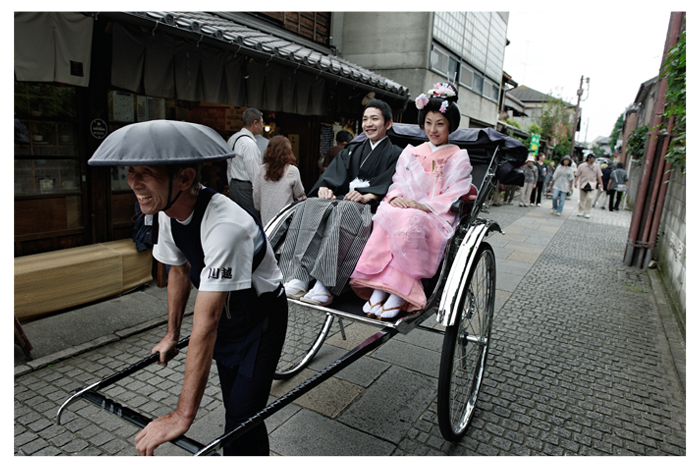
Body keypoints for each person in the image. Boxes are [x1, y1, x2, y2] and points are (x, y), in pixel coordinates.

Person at [88, 120, 288, 456]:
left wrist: (183, 415)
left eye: (146, 172)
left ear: (185, 178)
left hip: (260, 318)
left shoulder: (226, 226)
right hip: (227, 315)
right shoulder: (166, 211)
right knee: (235, 406)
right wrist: (171, 333)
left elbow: (206, 324)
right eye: (131, 171)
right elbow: (178, 270)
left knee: (242, 417)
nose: (133, 182)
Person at [350, 83, 473, 320]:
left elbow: (455, 191)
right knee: (388, 211)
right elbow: (399, 181)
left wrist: (423, 205)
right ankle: (378, 288)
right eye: (428, 123)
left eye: (440, 124)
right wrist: (397, 198)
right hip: (408, 207)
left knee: (412, 219)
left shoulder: (458, 157)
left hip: (435, 213)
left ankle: (399, 292)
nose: (433, 130)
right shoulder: (411, 151)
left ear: (450, 126)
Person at [276, 99, 402, 306]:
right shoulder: (351, 151)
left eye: (374, 119)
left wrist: (370, 195)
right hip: (345, 200)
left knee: (346, 210)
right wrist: (325, 187)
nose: (368, 123)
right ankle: (299, 275)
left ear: (388, 124)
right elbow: (333, 177)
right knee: (310, 204)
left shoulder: (397, 154)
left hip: (371, 206)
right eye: (365, 119)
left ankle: (324, 285)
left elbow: (396, 183)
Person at [253, 135, 306, 226]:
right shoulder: (292, 170)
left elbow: (256, 202)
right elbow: (299, 194)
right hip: (286, 220)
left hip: (266, 221)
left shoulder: (261, 170)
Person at [227, 108, 264, 214]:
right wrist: (259, 200)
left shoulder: (232, 139)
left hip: (234, 185)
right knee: (251, 219)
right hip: (246, 189)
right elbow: (255, 174)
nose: (262, 126)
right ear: (255, 123)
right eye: (261, 123)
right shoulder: (249, 144)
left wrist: (231, 184)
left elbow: (229, 166)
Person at [574, 154, 604, 218]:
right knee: (582, 198)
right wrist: (575, 182)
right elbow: (577, 174)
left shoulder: (596, 166)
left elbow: (599, 175)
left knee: (590, 198)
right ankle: (581, 211)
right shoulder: (582, 166)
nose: (594, 159)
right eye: (593, 158)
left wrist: (601, 184)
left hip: (592, 184)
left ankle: (587, 212)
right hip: (583, 183)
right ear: (589, 158)